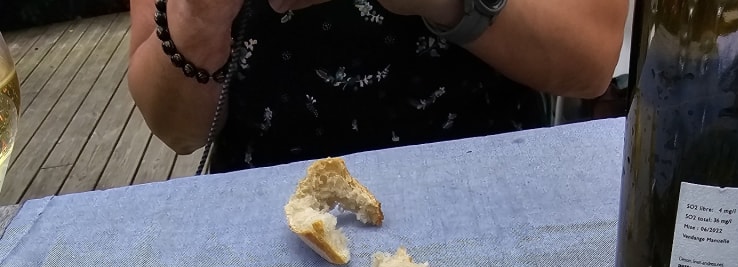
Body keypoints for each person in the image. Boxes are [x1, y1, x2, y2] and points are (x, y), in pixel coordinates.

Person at [129, 0, 628, 171]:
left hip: (488, 207)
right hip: (274, 234)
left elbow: (587, 63)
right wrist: (198, 20)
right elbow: (177, 129)